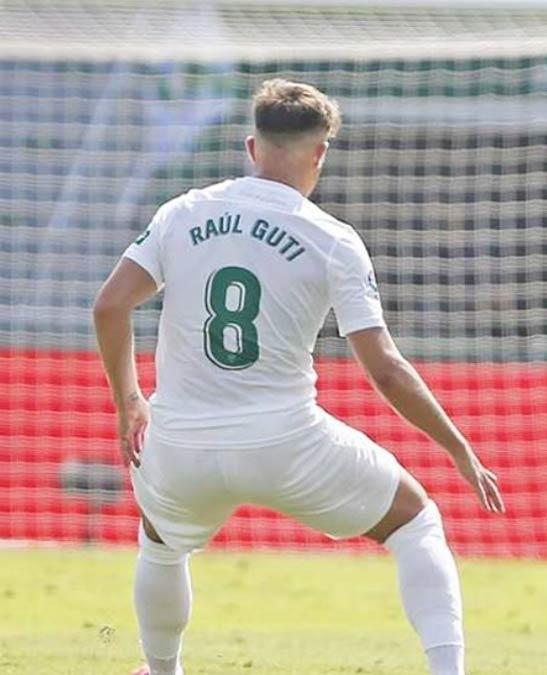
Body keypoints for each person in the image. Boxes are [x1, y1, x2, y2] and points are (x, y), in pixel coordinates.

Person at [92, 78, 504, 675]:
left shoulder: (182, 212)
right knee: (415, 521)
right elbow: (384, 368)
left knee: (160, 542)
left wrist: (129, 401)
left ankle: (162, 670)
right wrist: (458, 448)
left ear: (251, 147)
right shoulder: (333, 239)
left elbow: (109, 306)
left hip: (181, 443)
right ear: (320, 154)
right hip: (287, 444)